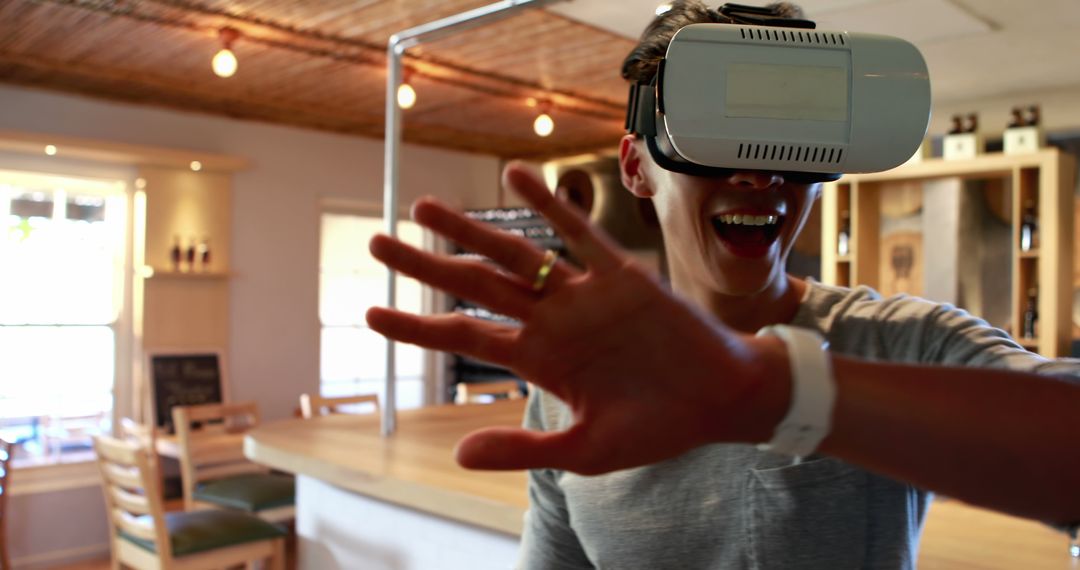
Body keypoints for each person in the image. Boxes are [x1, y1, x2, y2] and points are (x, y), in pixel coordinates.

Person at [367, 1, 1080, 567]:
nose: (756, 175)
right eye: (715, 138)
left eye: (785, 142)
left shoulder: (901, 342)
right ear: (636, 166)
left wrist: (778, 393)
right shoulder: (576, 390)